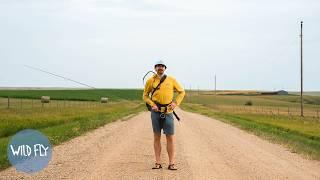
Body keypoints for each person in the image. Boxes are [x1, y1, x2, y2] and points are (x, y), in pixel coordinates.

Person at [143, 60, 185, 170]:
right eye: (158, 66)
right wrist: (152, 104)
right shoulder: (150, 81)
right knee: (156, 137)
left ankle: (171, 163)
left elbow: (182, 92)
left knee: (170, 137)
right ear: (155, 68)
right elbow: (145, 96)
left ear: (165, 68)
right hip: (155, 112)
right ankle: (157, 163)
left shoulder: (171, 80)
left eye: (162, 66)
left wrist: (176, 103)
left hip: (168, 112)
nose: (160, 68)